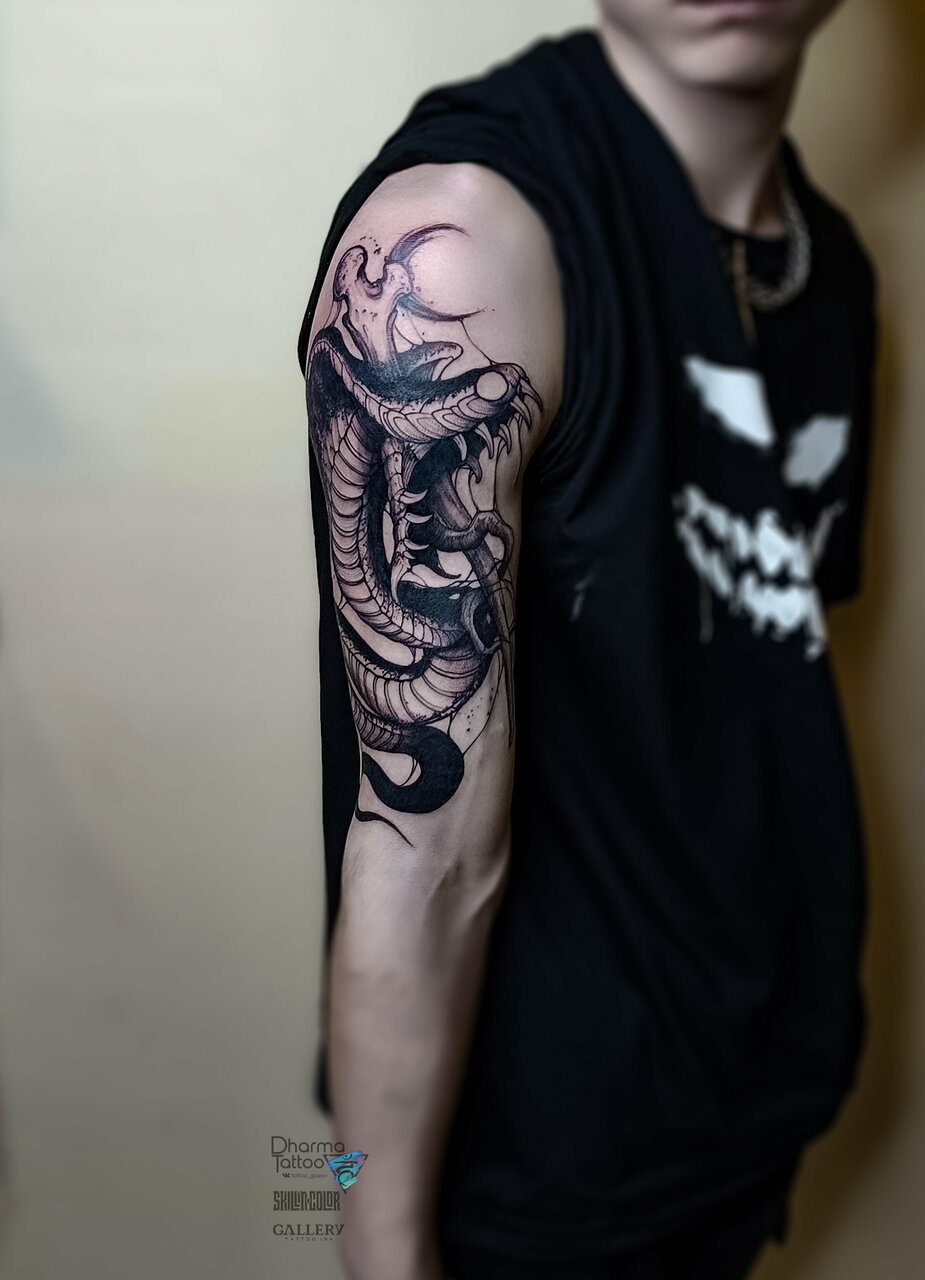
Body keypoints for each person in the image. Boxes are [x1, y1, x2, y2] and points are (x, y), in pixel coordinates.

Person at [297, 2, 878, 1277]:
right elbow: (423, 856)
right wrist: (375, 1246)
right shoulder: (461, 245)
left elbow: (750, 656)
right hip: (537, 1167)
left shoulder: (826, 267)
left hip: (758, 1089)